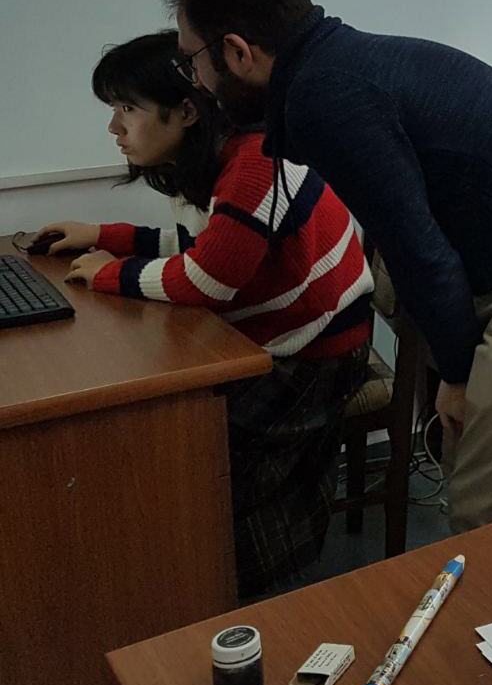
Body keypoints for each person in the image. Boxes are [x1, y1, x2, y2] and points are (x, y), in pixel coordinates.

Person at [167, 0, 492, 534]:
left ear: (237, 51)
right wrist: (455, 373)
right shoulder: (336, 64)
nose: (196, 81)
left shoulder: (325, 94)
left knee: (486, 504)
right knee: (468, 474)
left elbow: (417, 248)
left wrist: (456, 376)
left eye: (192, 61)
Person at [39, 30, 374, 596]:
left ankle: (236, 589)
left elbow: (206, 280)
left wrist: (109, 272)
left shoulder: (253, 164)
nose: (114, 127)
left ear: (187, 111)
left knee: (188, 444)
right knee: (169, 426)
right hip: (293, 335)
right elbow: (206, 247)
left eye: (127, 108)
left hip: (318, 355)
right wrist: (103, 235)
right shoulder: (223, 159)